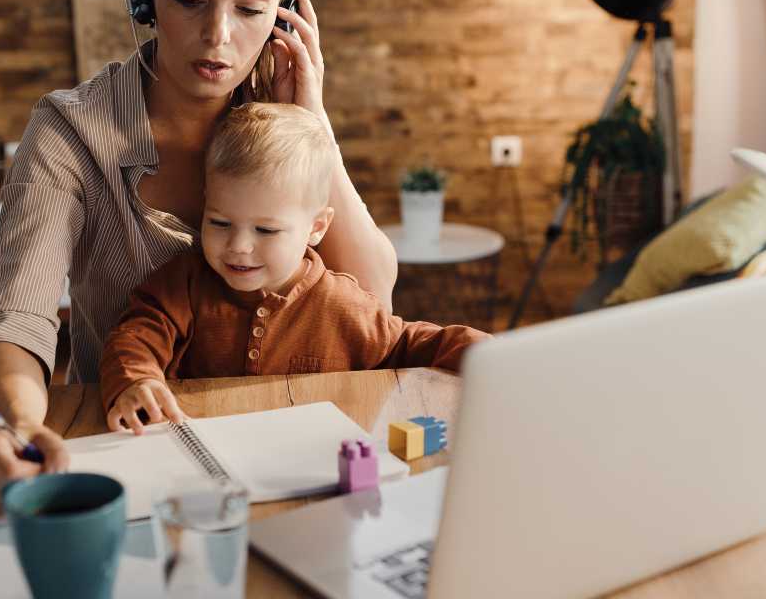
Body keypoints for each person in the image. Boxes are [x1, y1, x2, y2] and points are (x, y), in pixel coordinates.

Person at [0, 0, 399, 514]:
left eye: (250, 9)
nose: (217, 35)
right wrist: (23, 426)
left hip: (291, 447)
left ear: (283, 15)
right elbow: (17, 313)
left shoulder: (283, 118)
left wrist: (313, 120)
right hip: (129, 447)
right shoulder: (70, 129)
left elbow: (373, 292)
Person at [103, 102, 486, 433]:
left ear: (316, 227)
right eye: (219, 222)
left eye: (266, 229)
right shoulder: (184, 283)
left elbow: (409, 344)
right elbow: (134, 337)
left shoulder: (343, 305)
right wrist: (136, 381)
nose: (238, 246)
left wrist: (491, 358)